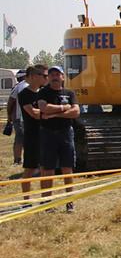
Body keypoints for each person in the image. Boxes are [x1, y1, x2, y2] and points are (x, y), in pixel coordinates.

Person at [36, 66, 80, 213]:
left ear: (62, 77)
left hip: (66, 133)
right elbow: (44, 108)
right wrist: (64, 108)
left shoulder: (69, 93)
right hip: (48, 134)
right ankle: (47, 203)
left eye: (57, 74)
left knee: (67, 169)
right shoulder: (43, 92)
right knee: (48, 169)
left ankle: (69, 202)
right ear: (48, 77)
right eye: (51, 74)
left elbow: (76, 112)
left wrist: (56, 114)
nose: (54, 77)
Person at [15, 65, 48, 205]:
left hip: (46, 134)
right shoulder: (24, 94)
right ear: (34, 76)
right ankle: (26, 201)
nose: (46, 78)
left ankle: (44, 200)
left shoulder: (44, 93)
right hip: (32, 136)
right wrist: (51, 113)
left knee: (45, 168)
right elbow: (33, 114)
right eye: (44, 76)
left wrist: (49, 113)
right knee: (30, 168)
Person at [6, 69, 27, 167]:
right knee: (20, 138)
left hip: (21, 117)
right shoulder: (18, 87)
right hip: (18, 117)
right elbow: (10, 102)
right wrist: (9, 116)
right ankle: (17, 159)